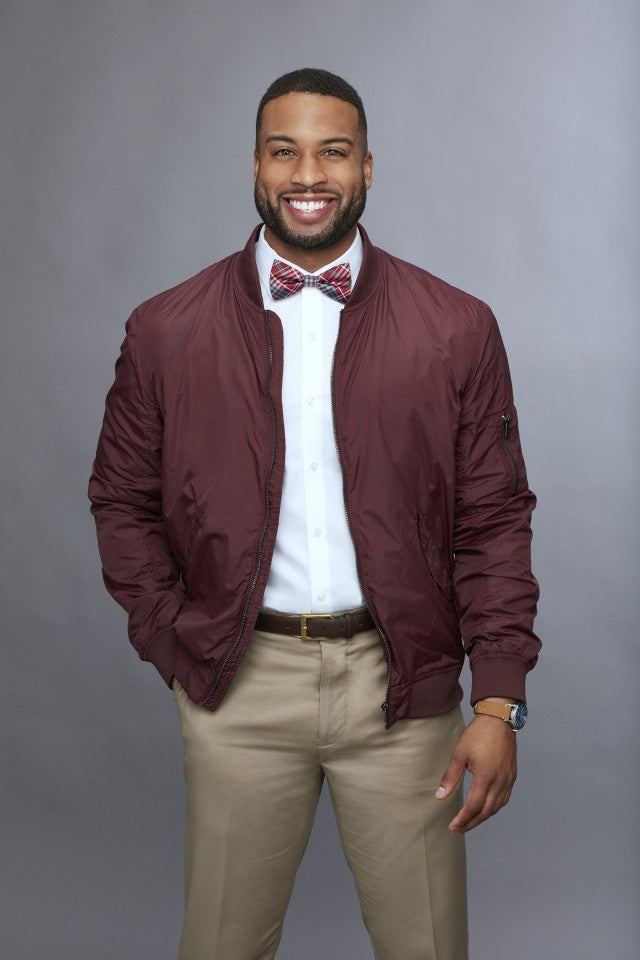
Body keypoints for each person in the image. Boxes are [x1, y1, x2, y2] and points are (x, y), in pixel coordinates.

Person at [89, 67, 540, 960]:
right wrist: (177, 644)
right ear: (255, 166)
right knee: (221, 947)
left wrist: (497, 701)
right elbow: (121, 501)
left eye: (333, 152)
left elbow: (493, 521)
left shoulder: (457, 326)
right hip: (239, 685)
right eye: (283, 151)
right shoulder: (165, 329)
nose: (307, 174)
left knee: (427, 948)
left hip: (403, 688)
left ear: (367, 168)